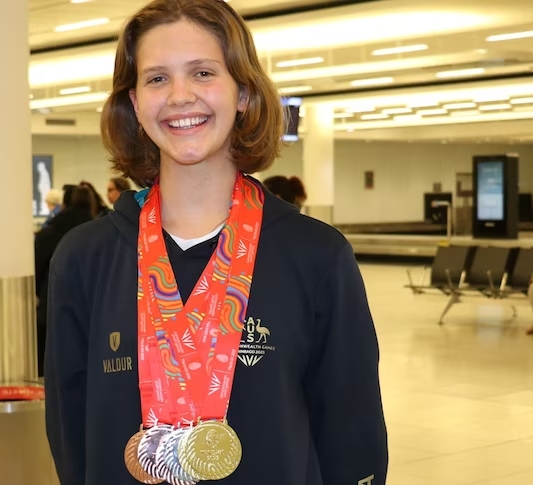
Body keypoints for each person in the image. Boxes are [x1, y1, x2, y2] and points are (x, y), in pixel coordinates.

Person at [44, 2, 388, 485]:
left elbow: (352, 437)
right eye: (157, 78)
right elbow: (70, 437)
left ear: (243, 92)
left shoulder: (316, 256)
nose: (180, 96)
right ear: (135, 103)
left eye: (203, 72)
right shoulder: (85, 259)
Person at [34, 186, 96, 377]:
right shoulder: (102, 233)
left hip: (54, 309)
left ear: (65, 204)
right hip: (96, 313)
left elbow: (37, 270)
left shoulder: (51, 232)